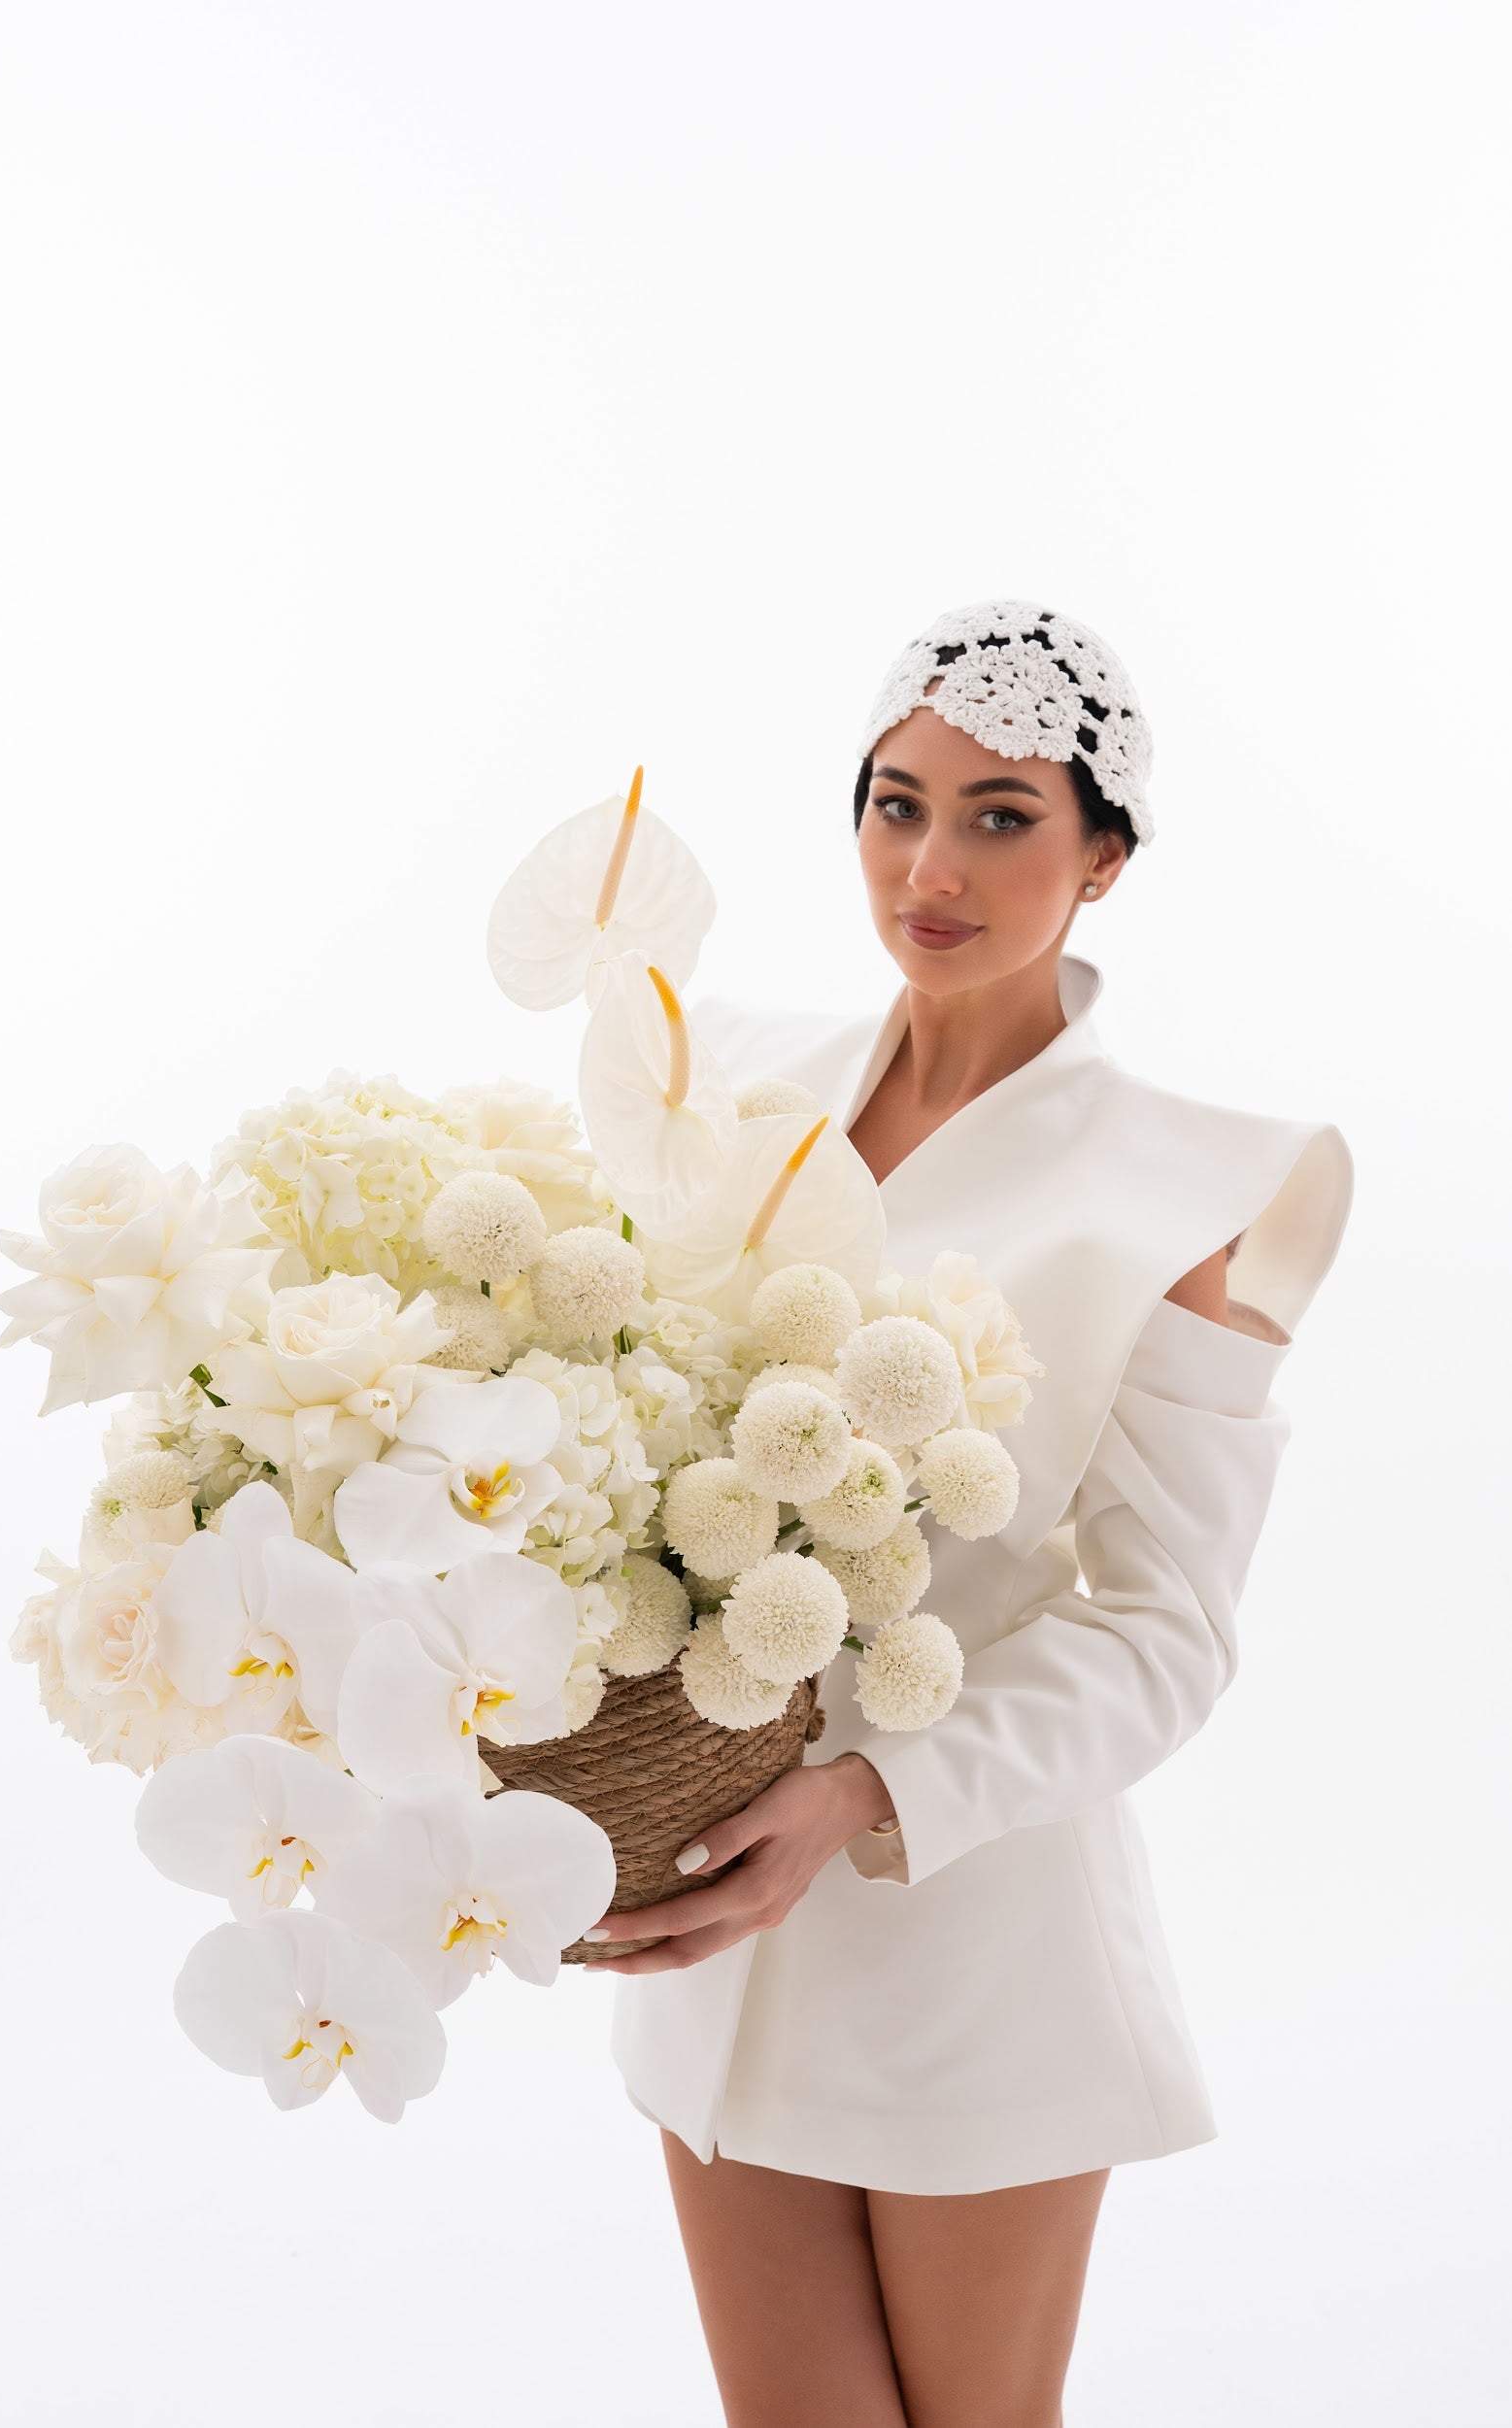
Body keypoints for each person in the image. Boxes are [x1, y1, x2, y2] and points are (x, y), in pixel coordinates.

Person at [585, 601, 1353, 2428]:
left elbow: (1168, 1630)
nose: (931, 866)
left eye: (1003, 814)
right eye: (895, 802)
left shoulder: (1189, 1186)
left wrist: (861, 1796)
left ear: (1104, 857)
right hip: (708, 1929)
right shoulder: (725, 1083)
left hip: (973, 1943)